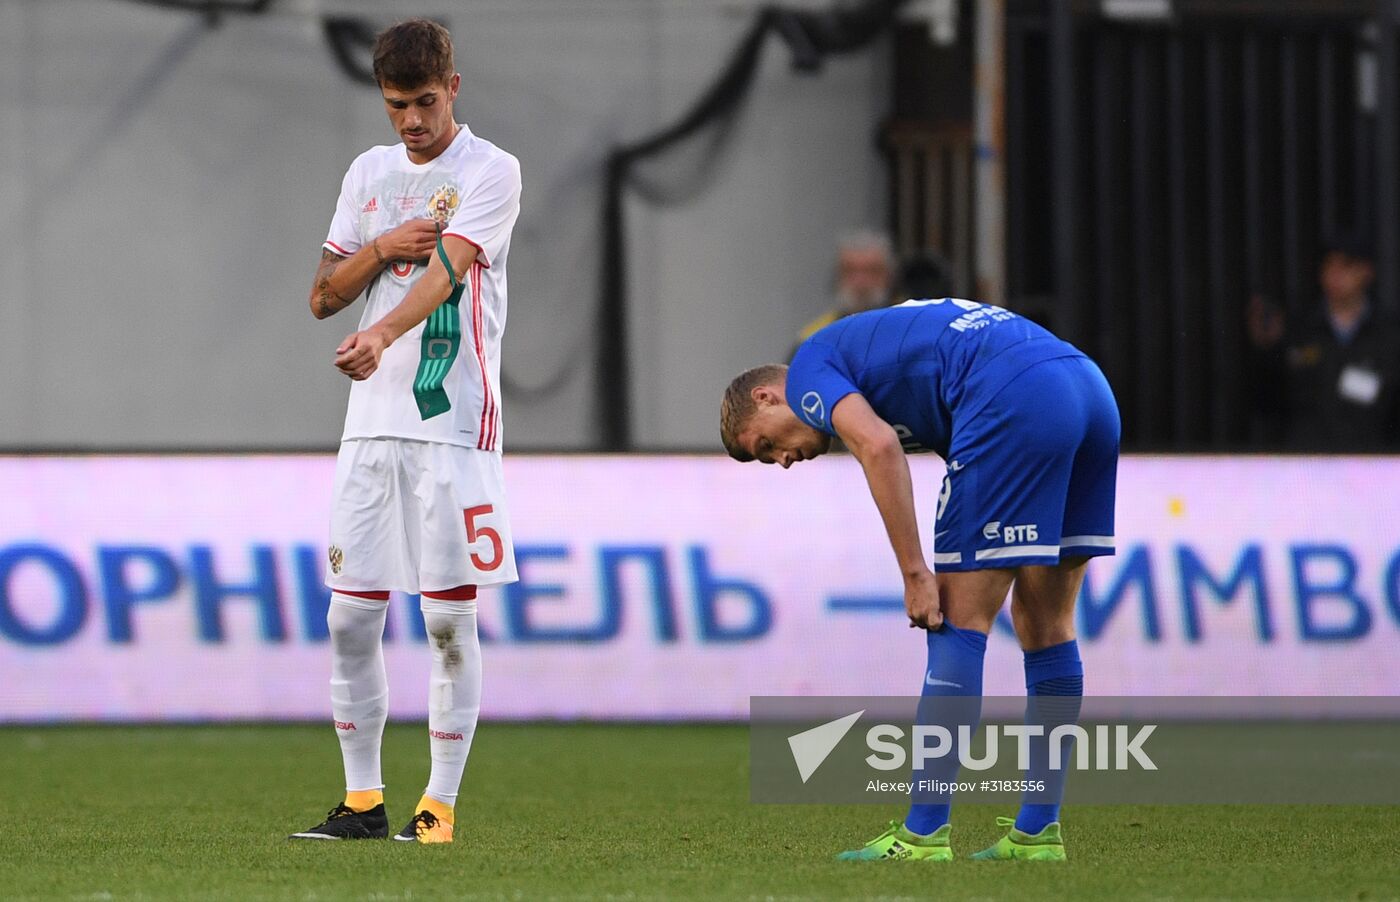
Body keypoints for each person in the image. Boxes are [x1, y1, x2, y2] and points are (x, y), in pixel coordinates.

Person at [720, 297, 1119, 861]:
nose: (781, 461)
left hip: (1011, 393)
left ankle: (925, 834)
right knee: (1046, 622)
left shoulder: (811, 366)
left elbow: (878, 447)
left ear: (766, 396)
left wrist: (915, 572)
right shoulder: (872, 363)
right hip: (1085, 387)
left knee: (955, 621)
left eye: (765, 446)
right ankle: (1037, 832)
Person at [290, 18, 522, 845]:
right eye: (397, 105)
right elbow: (323, 295)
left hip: (451, 426)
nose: (412, 121)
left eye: (425, 102)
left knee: (447, 623)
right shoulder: (370, 173)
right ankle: (362, 803)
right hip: (369, 430)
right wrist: (381, 244)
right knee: (350, 618)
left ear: (453, 88)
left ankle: (439, 808)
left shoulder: (491, 171)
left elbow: (449, 267)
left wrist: (383, 332)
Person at [1247, 235, 1400, 449]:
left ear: (1367, 271)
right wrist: (1268, 350)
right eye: (1329, 265)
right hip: (1307, 465)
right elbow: (1267, 402)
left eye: (1347, 265)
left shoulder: (1389, 334)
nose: (1336, 274)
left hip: (1370, 465)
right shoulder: (1299, 329)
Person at [791, 230, 896, 357]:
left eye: (872, 271)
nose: (861, 282)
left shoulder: (909, 328)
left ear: (889, 276)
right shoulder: (813, 338)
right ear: (837, 277)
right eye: (850, 271)